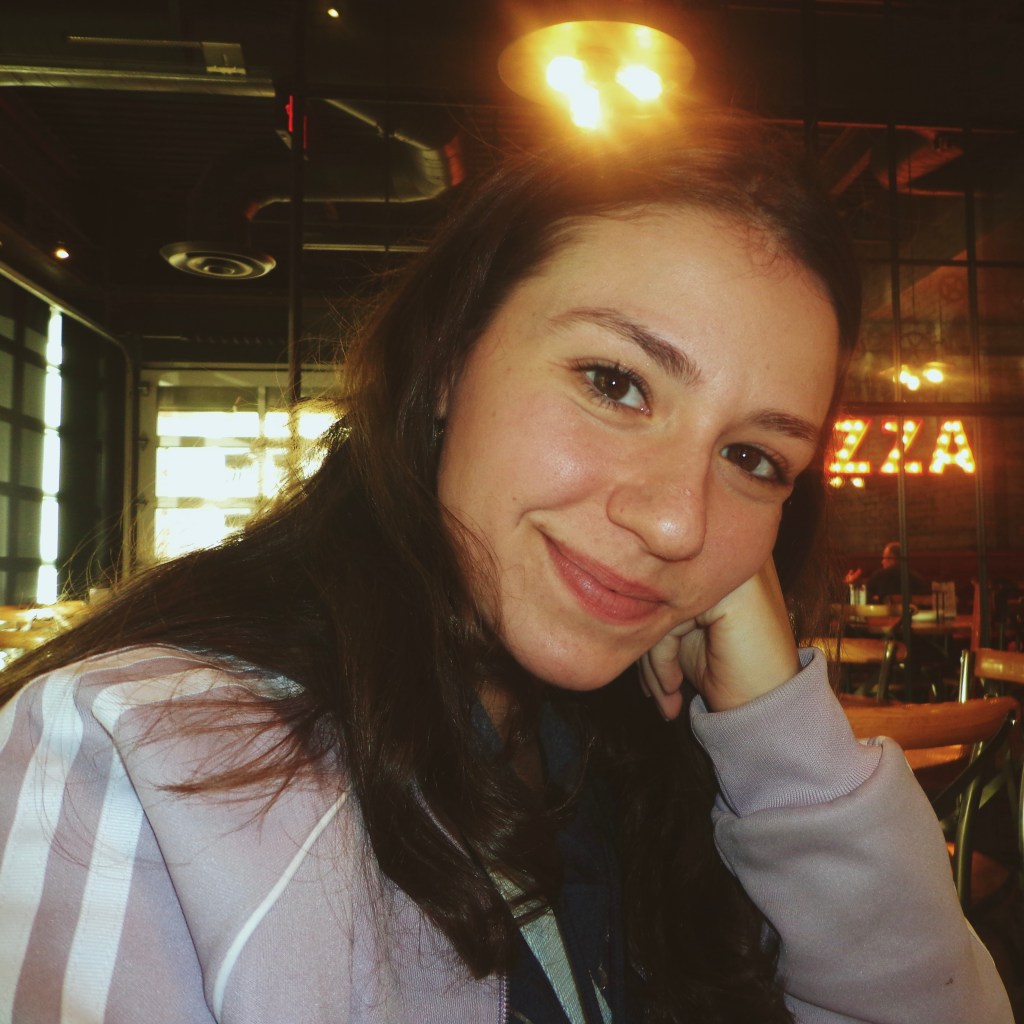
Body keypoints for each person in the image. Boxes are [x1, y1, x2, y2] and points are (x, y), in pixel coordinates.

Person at [0, 109, 1011, 1024]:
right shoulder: (137, 767)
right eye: (614, 382)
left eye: (752, 458)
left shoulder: (630, 755)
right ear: (449, 359)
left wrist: (775, 733)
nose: (676, 521)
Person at [846, 541, 929, 604]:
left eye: (884, 558)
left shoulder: (878, 577)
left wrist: (851, 584)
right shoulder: (918, 579)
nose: (882, 562)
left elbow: (863, 600)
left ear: (891, 558)